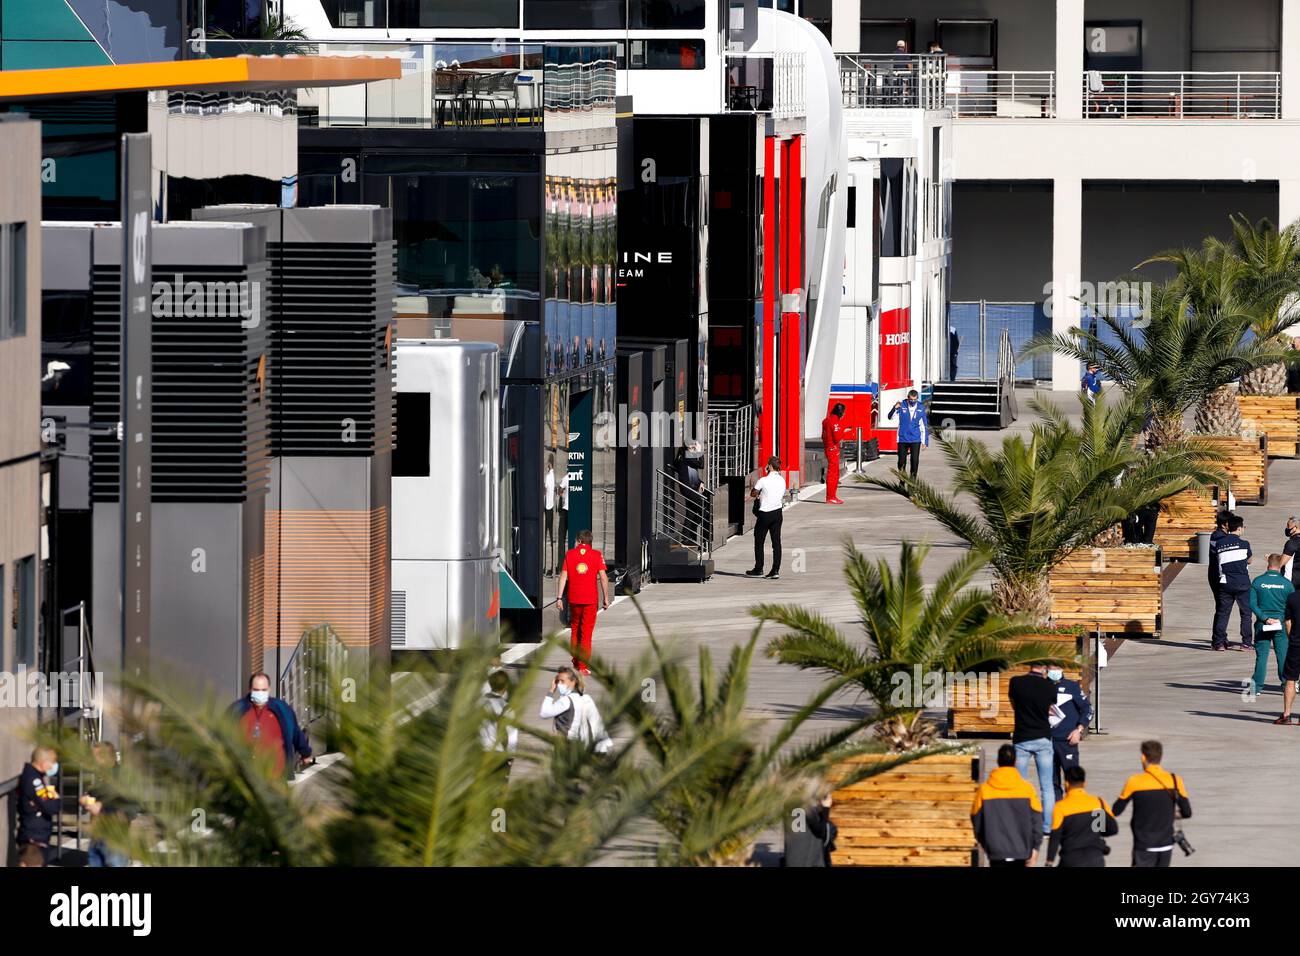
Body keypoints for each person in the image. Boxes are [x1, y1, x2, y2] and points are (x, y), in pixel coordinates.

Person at [1112, 740, 1192, 868]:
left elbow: (1116, 811)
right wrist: (1175, 814)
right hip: (1166, 844)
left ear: (1143, 757)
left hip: (1144, 845)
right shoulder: (1175, 780)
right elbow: (1187, 812)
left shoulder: (1134, 782)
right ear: (1161, 757)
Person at [971, 744, 1043, 867]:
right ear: (1015, 762)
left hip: (996, 850)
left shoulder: (985, 790)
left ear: (998, 761)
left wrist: (983, 841)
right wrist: (1035, 847)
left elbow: (976, 819)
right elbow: (1037, 820)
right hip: (1021, 850)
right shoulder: (1027, 789)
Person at [1008, 662, 1057, 841]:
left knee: (1020, 785)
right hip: (1043, 737)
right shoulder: (1049, 686)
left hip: (1022, 737)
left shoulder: (1016, 682)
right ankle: (1046, 828)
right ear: (1044, 668)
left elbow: (1014, 704)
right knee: (1047, 787)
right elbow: (1050, 708)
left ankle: (1021, 825)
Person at [231, 673, 314, 778]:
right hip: (247, 775)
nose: (260, 693)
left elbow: (295, 732)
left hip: (276, 775)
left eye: (263, 690)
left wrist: (305, 753)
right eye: (256, 690)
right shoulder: (237, 710)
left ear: (269, 689)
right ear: (250, 690)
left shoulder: (281, 709)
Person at [556, 529, 611, 674]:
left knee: (575, 628)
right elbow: (604, 577)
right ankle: (582, 666)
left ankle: (575, 660)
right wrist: (606, 597)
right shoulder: (597, 555)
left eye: (575, 541)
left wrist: (559, 597)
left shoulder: (570, 554)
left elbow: (563, 576)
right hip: (590, 600)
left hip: (574, 598)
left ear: (579, 541)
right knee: (586, 632)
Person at [1046, 766, 1118, 868]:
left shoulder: (1060, 807)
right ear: (1084, 784)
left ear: (1066, 784)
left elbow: (1055, 837)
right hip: (1095, 859)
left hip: (1070, 860)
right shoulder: (1097, 803)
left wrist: (1049, 861)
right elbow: (1112, 829)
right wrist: (1096, 833)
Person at [1249, 553, 1295, 702]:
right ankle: (1285, 685)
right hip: (1280, 624)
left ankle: (1256, 688)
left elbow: (1252, 604)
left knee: (1262, 656)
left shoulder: (1257, 582)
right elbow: (1292, 606)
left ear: (1268, 565)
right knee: (1282, 655)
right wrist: (1280, 619)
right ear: (1280, 565)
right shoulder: (1287, 584)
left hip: (1263, 624)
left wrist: (1265, 618)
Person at [539, 667, 612, 753]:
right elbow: (596, 721)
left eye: (562, 681)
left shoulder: (566, 701)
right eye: (558, 681)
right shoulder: (585, 698)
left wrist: (551, 691)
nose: (559, 684)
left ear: (573, 682)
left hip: (566, 745)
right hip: (579, 744)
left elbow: (544, 713)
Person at [81, 741, 130, 868]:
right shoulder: (101, 776)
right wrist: (86, 798)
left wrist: (102, 807)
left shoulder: (123, 777)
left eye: (95, 757)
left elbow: (130, 807)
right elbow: (95, 794)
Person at [1210, 513, 1254, 652]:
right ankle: (1246, 643)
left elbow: (1218, 559)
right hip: (1242, 583)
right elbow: (1249, 560)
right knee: (1246, 614)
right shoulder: (1245, 544)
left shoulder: (1219, 543)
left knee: (1223, 613)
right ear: (1239, 529)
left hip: (1225, 582)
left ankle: (1219, 643)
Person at [1048, 663, 1091, 800]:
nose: (1054, 671)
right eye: (1051, 668)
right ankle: (1057, 813)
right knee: (1051, 783)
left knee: (1073, 781)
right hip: (1046, 743)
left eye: (1057, 668)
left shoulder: (1072, 687)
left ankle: (1074, 810)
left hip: (1068, 742)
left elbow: (1088, 709)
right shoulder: (1041, 687)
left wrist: (1079, 730)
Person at [17, 746, 61, 863]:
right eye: (53, 762)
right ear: (44, 763)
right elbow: (50, 807)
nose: (53, 766)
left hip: (37, 834)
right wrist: (56, 798)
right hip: (34, 837)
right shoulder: (34, 780)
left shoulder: (37, 776)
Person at [747, 456, 786, 580]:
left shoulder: (763, 480)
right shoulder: (782, 480)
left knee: (759, 541)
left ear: (769, 466)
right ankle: (775, 570)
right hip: (778, 513)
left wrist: (756, 491)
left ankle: (759, 568)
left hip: (765, 513)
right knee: (776, 542)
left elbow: (753, 493)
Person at [783, 793, 837, 867]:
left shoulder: (788, 804)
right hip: (808, 861)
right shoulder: (806, 807)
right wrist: (826, 808)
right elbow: (820, 832)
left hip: (792, 860)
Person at [888, 389, 928, 481]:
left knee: (914, 461)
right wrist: (894, 407)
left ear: (917, 398)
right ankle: (902, 480)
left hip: (915, 439)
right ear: (908, 398)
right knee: (901, 462)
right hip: (902, 438)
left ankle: (912, 482)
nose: (913, 402)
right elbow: (890, 417)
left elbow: (924, 426)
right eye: (911, 400)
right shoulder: (902, 405)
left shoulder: (921, 408)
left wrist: (925, 441)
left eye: (915, 400)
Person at [674, 440, 706, 542]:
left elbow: (692, 473)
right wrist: (700, 451)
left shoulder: (685, 457)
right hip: (688, 489)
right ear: (688, 448)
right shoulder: (685, 457)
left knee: (691, 513)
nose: (694, 450)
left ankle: (686, 537)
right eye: (693, 448)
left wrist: (700, 482)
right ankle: (691, 529)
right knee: (704, 510)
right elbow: (701, 465)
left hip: (691, 488)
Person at [1278, 578, 1300, 723]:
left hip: (1296, 645)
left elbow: (1287, 621)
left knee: (1290, 680)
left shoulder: (1292, 597)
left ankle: (1287, 715)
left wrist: (1292, 638)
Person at [821, 403, 847, 505]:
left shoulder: (826, 420)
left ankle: (831, 496)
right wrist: (844, 431)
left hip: (828, 448)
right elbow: (837, 437)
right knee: (833, 474)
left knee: (833, 473)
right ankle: (831, 497)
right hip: (833, 449)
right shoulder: (835, 422)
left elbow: (823, 436)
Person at [544, 455, 558, 577]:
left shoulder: (549, 476)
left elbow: (545, 489)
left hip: (547, 507)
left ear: (550, 464)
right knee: (551, 537)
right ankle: (551, 567)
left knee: (547, 537)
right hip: (552, 506)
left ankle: (548, 568)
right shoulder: (553, 476)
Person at [1283, 516, 1300, 585]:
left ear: (1294, 528)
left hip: (1293, 580)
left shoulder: (1293, 543)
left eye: (1288, 526)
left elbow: (1282, 562)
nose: (1286, 528)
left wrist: (1272, 558)